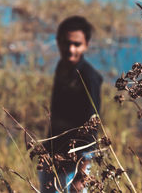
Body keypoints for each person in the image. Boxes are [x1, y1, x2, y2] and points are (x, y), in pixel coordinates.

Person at [40, 15, 103, 193]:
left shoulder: (89, 78)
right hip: (54, 152)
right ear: (58, 42)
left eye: (77, 44)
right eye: (66, 43)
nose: (71, 49)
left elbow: (91, 126)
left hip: (75, 162)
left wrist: (81, 175)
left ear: (86, 45)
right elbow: (55, 112)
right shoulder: (62, 67)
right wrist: (46, 151)